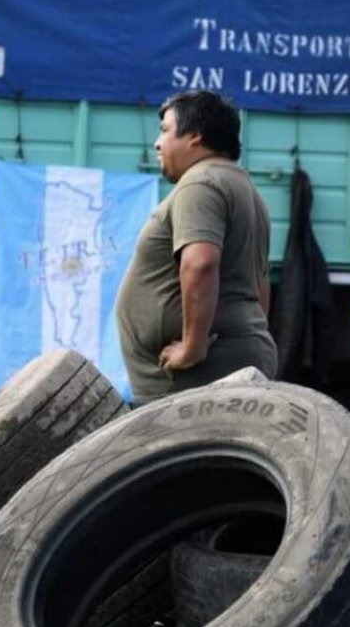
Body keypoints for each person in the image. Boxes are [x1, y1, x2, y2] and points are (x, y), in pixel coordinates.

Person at [116, 90, 277, 404]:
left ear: (194, 136)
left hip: (197, 377)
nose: (157, 143)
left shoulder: (200, 184)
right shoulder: (243, 187)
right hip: (232, 357)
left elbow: (200, 263)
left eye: (165, 130)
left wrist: (193, 347)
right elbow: (260, 284)